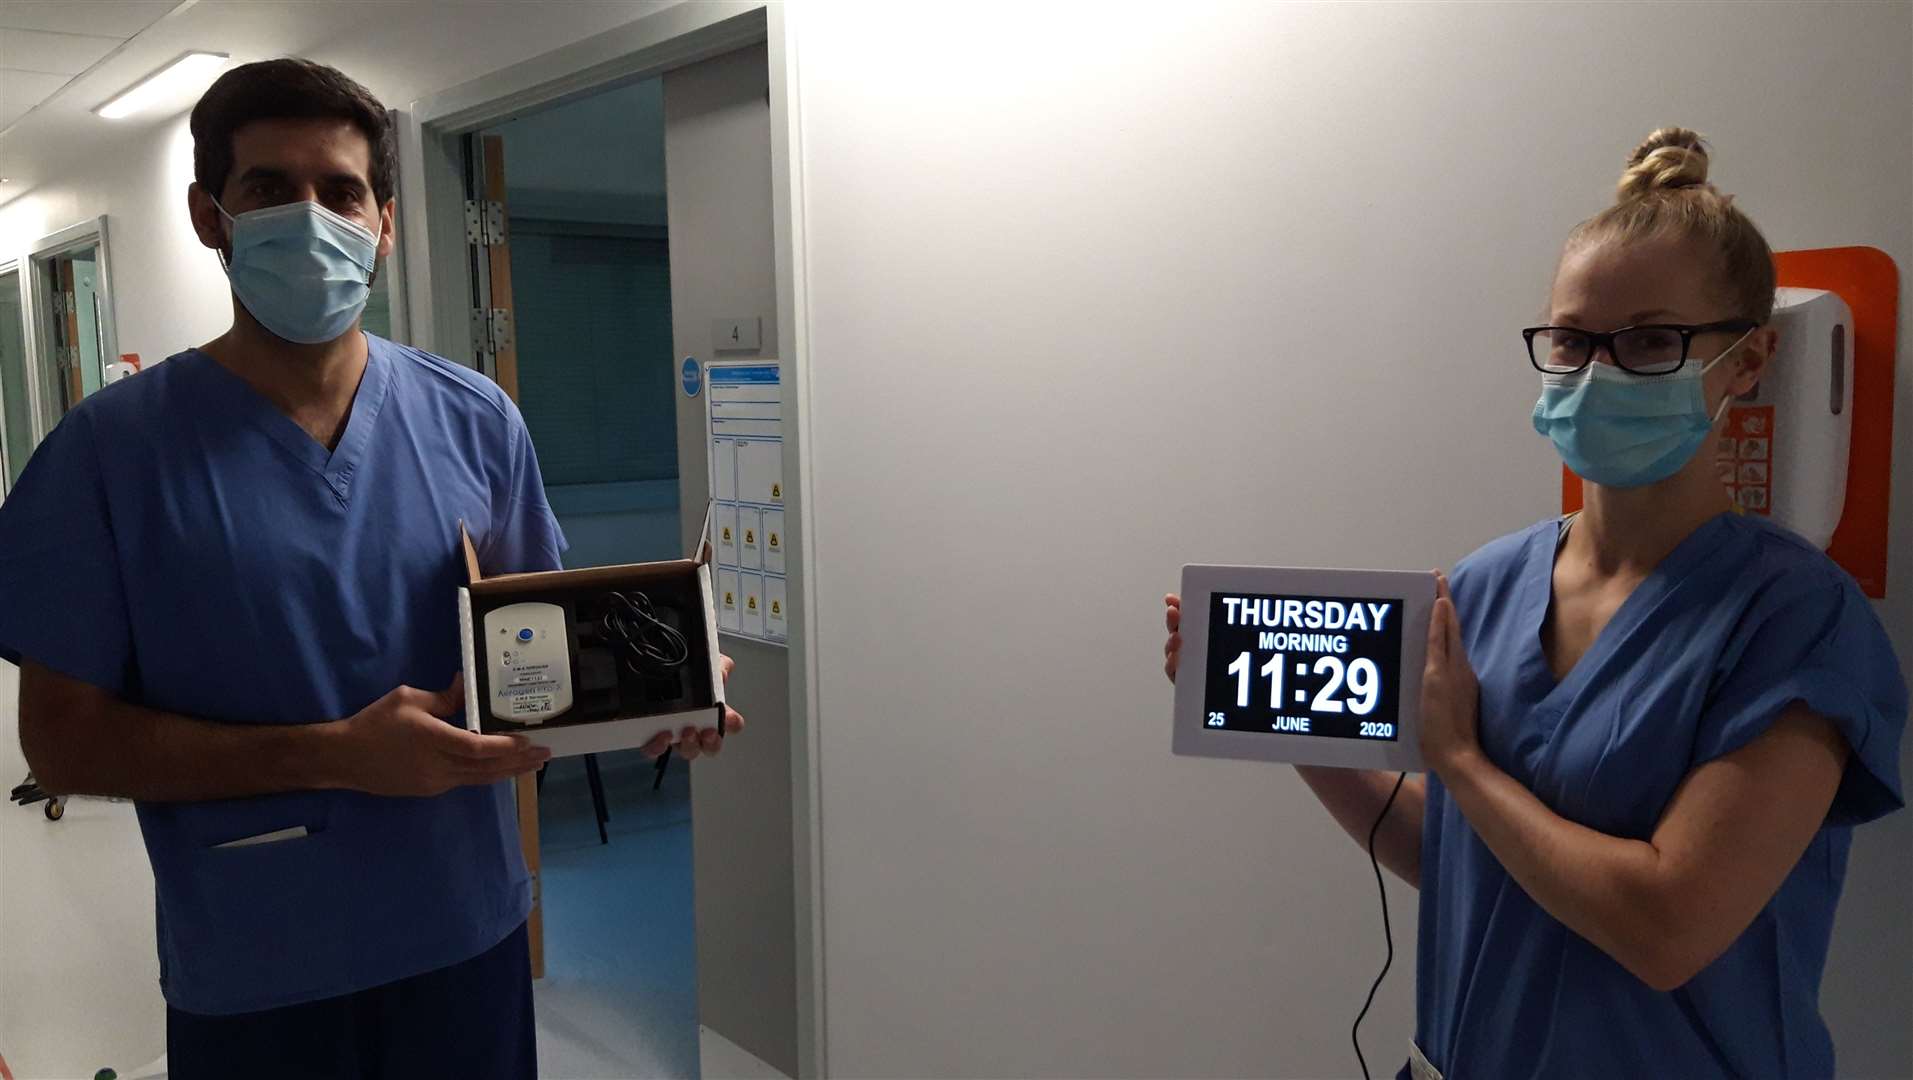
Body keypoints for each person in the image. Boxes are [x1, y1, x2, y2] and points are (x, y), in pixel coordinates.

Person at [0, 59, 743, 1078]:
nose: (311, 218)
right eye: (268, 188)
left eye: (341, 191)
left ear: (383, 222)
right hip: (257, 962)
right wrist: (332, 754)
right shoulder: (108, 456)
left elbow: (535, 658)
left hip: (465, 934)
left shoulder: (476, 420)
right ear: (209, 216)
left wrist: (663, 689)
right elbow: (65, 745)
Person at [1163, 128, 1905, 1077]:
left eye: (1648, 341)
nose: (1596, 373)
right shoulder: (1481, 586)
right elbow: (1464, 860)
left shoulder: (1794, 618)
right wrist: (1282, 715)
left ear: (1749, 360)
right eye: (1571, 340)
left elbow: (1667, 926)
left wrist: (1460, 760)